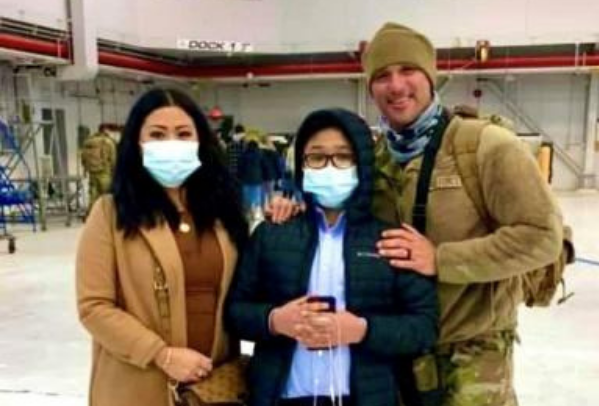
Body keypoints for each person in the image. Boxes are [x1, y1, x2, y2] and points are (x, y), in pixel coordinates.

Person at [362, 23, 563, 405]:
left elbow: (542, 236)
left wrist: (441, 259)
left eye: (408, 70)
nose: (396, 85)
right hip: (401, 355)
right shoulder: (377, 161)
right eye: (382, 75)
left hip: (474, 359)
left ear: (430, 76)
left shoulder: (484, 146)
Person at [226, 108, 438, 406]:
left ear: (362, 164)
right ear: (302, 165)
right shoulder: (271, 234)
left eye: (343, 156)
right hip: (283, 396)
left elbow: (424, 328)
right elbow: (236, 312)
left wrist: (363, 330)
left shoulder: (389, 240)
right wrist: (274, 320)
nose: (329, 166)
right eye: (316, 157)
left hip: (365, 397)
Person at [76, 88, 248, 406]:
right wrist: (161, 354)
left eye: (184, 134)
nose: (172, 143)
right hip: (137, 387)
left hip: (212, 389)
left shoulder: (223, 214)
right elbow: (94, 307)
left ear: (201, 143)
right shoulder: (110, 214)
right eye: (157, 134)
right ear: (137, 145)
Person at [80, 124, 117, 213]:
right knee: (108, 195)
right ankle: (109, 215)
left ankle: (90, 214)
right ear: (105, 130)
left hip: (92, 172)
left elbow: (83, 157)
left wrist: (86, 169)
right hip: (104, 172)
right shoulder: (108, 142)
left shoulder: (88, 141)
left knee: (93, 195)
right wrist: (115, 171)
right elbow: (113, 159)